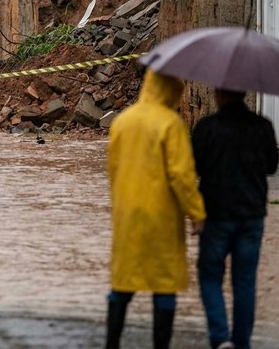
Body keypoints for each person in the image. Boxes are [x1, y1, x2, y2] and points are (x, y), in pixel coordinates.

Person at [105, 70, 206, 349]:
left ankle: (111, 343)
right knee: (164, 284)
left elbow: (113, 170)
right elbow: (182, 176)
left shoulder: (123, 121)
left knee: (123, 281)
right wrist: (196, 213)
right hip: (162, 218)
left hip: (128, 216)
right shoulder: (171, 124)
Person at [192, 89, 279, 349]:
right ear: (243, 94)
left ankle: (220, 338)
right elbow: (272, 166)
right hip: (252, 215)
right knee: (245, 281)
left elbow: (194, 166)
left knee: (210, 277)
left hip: (216, 215)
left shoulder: (207, 128)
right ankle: (242, 343)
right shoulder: (262, 126)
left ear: (218, 95)